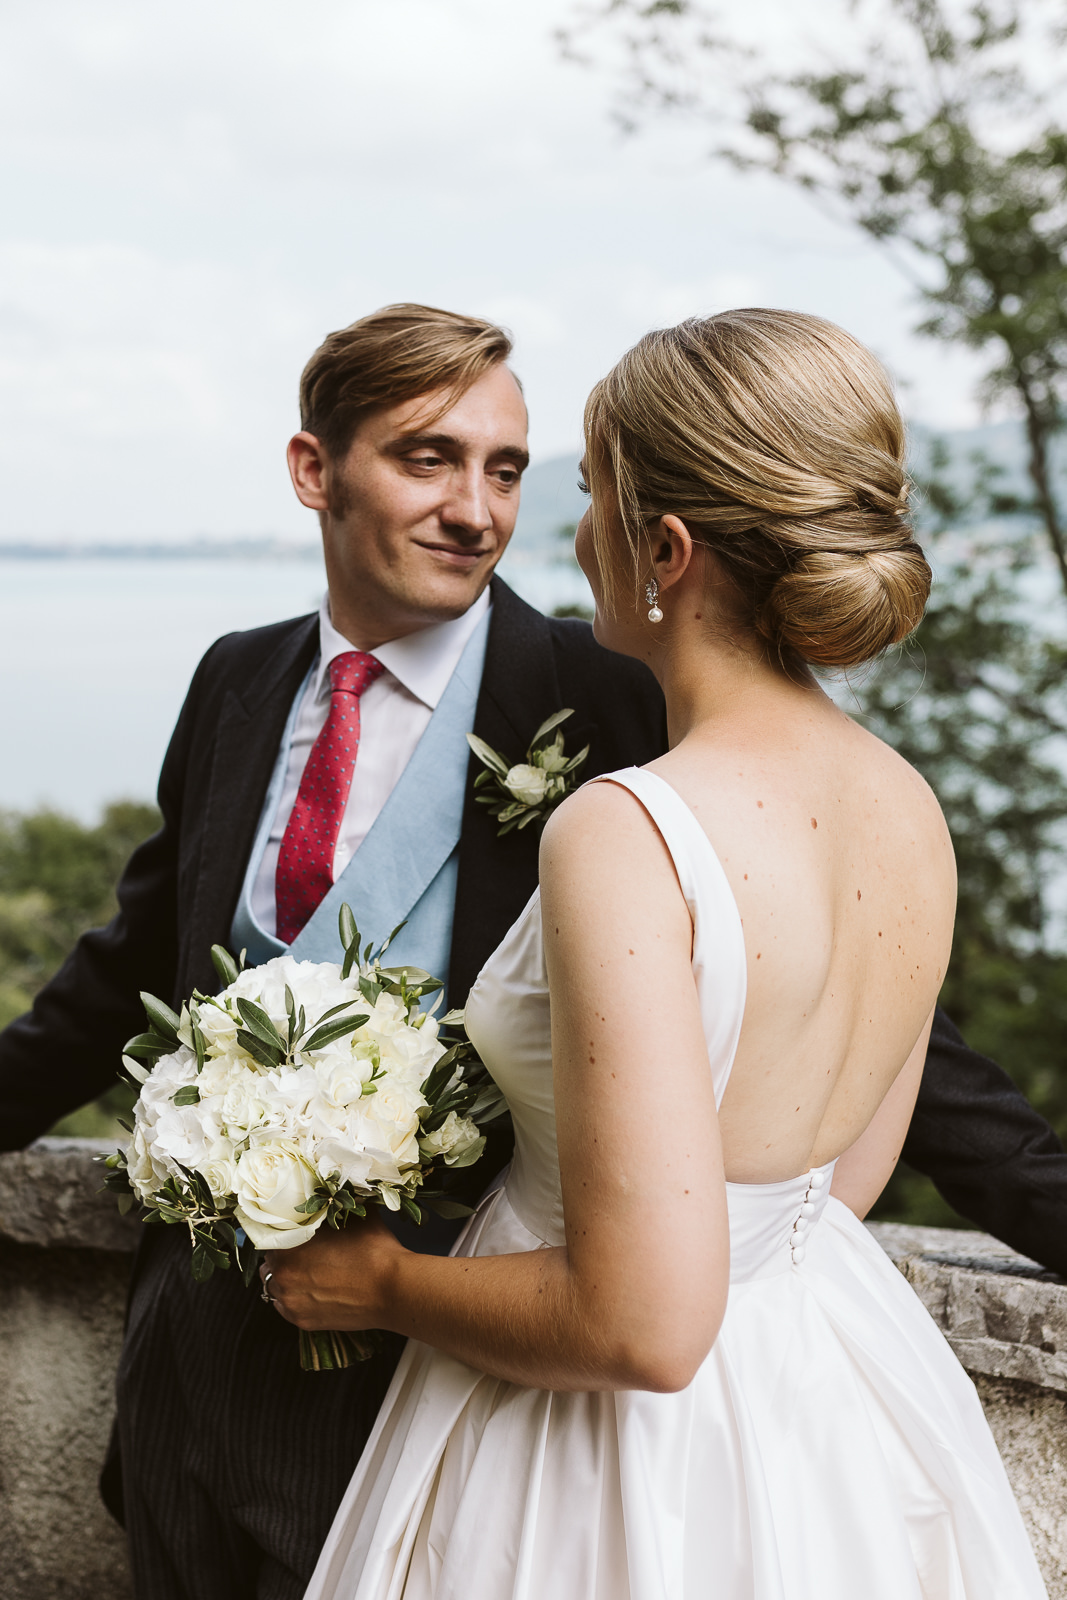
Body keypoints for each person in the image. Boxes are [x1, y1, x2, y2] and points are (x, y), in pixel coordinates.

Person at [0, 300, 1060, 1597]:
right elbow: (815, 1169)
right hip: (769, 1408)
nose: (510, 517)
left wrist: (393, 1282)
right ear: (314, 471)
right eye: (430, 458)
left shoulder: (625, 753)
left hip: (519, 1415)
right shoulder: (907, 800)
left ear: (663, 548)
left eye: (541, 480)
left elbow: (824, 1056)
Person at [0, 303, 668, 1598]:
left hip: (445, 1379)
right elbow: (126, 966)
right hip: (189, 1374)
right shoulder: (238, 681)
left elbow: (805, 975)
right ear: (315, 471)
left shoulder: (601, 696)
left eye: (507, 469)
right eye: (428, 457)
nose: (478, 510)